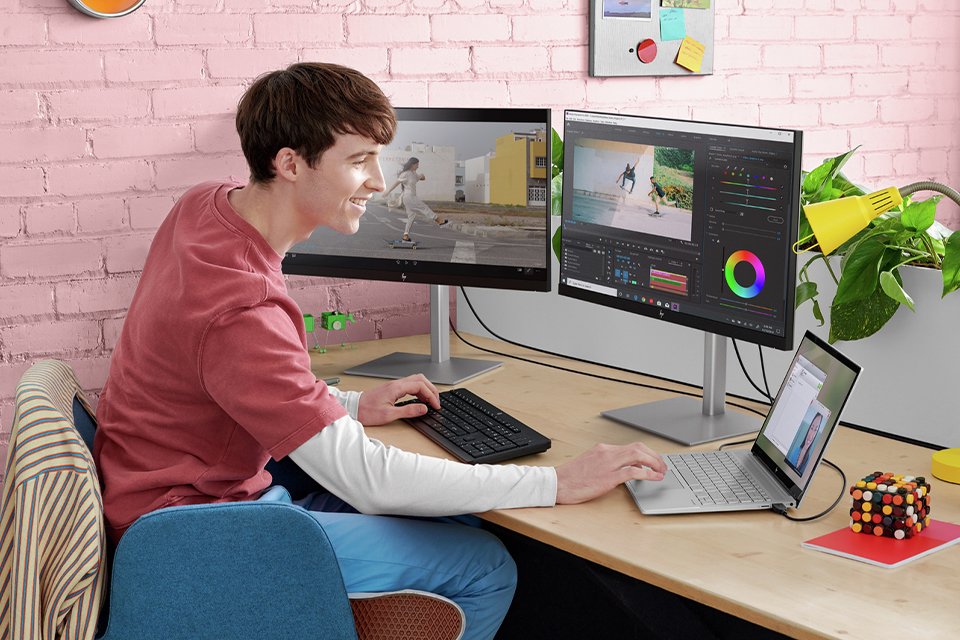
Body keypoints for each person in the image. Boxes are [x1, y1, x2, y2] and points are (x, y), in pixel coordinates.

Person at [93, 62, 667, 640]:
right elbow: (368, 480)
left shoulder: (205, 207)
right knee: (486, 564)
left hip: (170, 502)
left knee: (463, 512)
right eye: (359, 160)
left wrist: (349, 404)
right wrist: (557, 482)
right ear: (289, 163)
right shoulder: (243, 310)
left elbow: (230, 381)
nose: (380, 181)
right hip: (197, 539)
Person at [382, 156, 448, 241]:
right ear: (412, 164)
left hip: (410, 197)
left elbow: (423, 178)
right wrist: (387, 192)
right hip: (409, 197)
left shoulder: (414, 174)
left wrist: (421, 176)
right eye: (417, 164)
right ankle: (438, 220)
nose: (418, 166)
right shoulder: (406, 173)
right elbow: (397, 183)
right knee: (424, 208)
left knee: (411, 216)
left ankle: (405, 235)